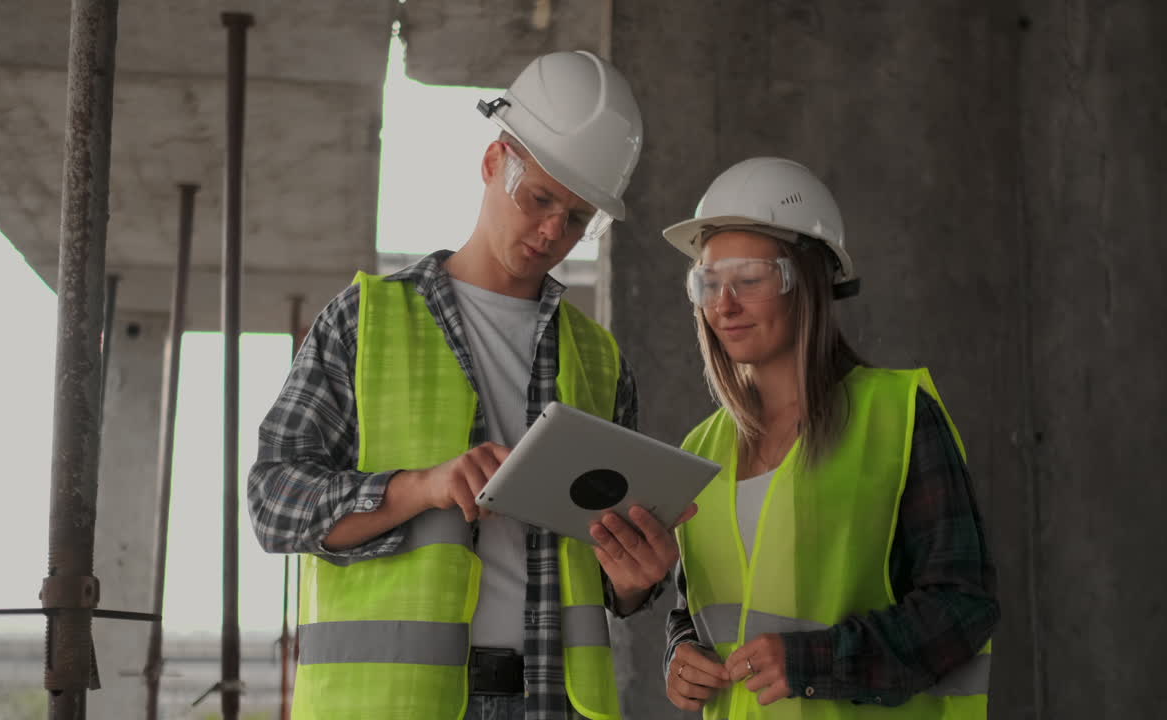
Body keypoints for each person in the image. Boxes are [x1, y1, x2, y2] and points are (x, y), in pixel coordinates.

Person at [247, 50, 684, 720]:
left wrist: (635, 581)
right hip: (391, 706)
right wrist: (421, 487)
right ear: (492, 161)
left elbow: (600, 578)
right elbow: (274, 501)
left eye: (575, 219)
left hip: (552, 705)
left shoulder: (598, 360)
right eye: (539, 198)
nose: (550, 232)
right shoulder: (368, 320)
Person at [659, 157, 999, 718]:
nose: (725, 304)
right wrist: (680, 654)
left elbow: (962, 605)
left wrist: (815, 661)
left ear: (809, 282)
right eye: (709, 282)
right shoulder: (699, 449)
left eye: (748, 279)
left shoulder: (899, 416)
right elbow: (696, 607)